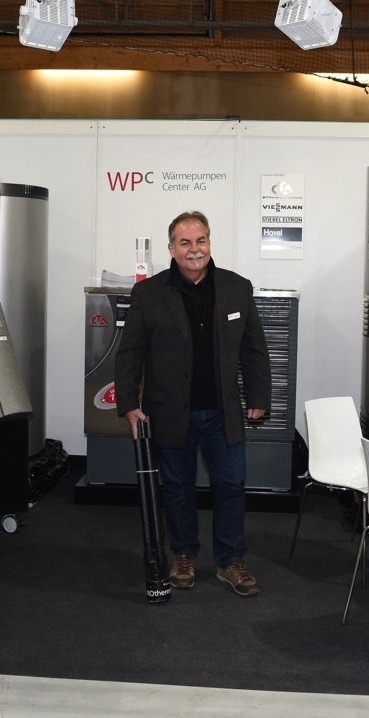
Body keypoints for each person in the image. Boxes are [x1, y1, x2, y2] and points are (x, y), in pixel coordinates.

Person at [115, 211, 271, 596]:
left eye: (200, 240)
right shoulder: (148, 294)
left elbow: (253, 347)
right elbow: (130, 352)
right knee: (178, 487)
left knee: (231, 486)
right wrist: (129, 403)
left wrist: (258, 396)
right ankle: (183, 554)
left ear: (209, 243)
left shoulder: (237, 287)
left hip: (223, 410)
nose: (194, 249)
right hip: (169, 410)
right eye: (185, 243)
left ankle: (230, 561)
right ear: (171, 249)